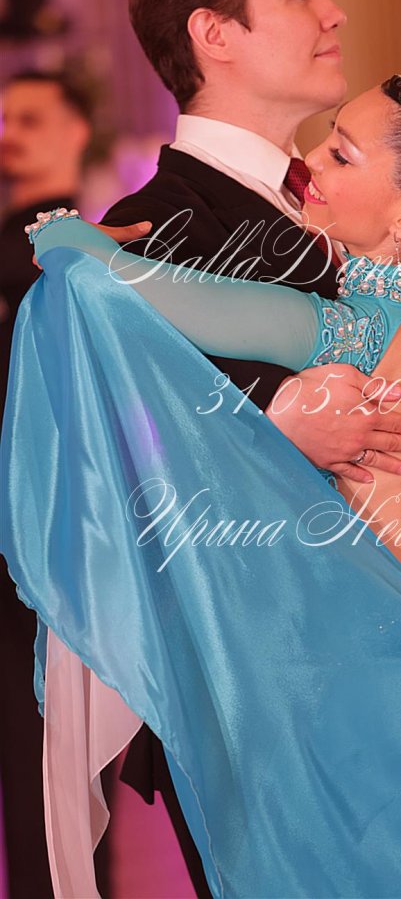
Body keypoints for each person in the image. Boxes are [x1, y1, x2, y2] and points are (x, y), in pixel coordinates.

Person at [2, 7, 401, 899]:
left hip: (353, 701)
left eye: (343, 155)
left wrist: (68, 237)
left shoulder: (326, 330)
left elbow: (150, 292)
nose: (310, 163)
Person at [0, 70, 94, 899]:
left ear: (77, 130)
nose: (9, 135)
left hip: (57, 551)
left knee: (60, 776)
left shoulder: (92, 250)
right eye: (3, 120)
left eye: (30, 118)